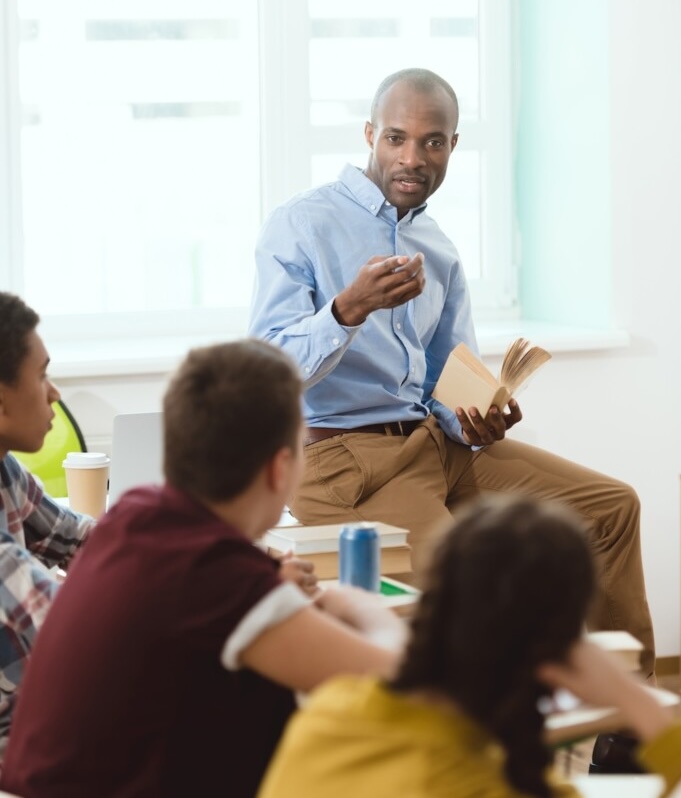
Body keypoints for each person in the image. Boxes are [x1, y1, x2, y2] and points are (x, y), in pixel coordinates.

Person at [248, 67, 655, 686]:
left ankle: (623, 731)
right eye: (396, 138)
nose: (412, 157)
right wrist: (346, 310)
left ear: (453, 146)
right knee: (472, 588)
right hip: (341, 460)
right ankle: (486, 755)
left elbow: (442, 376)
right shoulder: (303, 224)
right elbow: (266, 374)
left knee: (609, 508)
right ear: (369, 135)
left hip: (433, 446)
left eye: (432, 141)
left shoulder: (436, 246)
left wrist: (476, 417)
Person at [0, 339, 406, 798]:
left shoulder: (136, 512)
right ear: (280, 468)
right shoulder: (221, 577)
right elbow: (399, 680)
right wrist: (357, 602)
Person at [257, 498, 681, 798]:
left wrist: (364, 608)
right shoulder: (495, 787)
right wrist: (635, 700)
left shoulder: (329, 712)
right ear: (560, 655)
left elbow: (399, 646)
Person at [0, 292, 95, 763]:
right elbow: (76, 630)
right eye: (41, 376)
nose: (54, 393)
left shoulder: (5, 472)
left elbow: (87, 541)